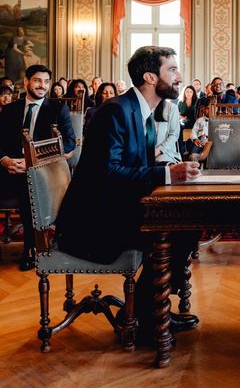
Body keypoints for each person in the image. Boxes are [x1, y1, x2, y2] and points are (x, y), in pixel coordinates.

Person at [55, 46, 201, 336]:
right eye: (172, 70)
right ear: (149, 76)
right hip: (92, 223)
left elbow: (133, 167)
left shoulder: (140, 111)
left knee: (189, 222)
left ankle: (146, 309)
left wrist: (169, 171)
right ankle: (148, 317)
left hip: (113, 208)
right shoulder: (116, 112)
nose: (179, 76)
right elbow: (107, 174)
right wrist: (166, 173)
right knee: (181, 227)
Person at [0, 64, 76, 270]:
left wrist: (32, 161)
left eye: (46, 82)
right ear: (26, 82)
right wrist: (5, 160)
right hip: (9, 166)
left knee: (29, 181)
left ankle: (30, 248)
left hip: (42, 168)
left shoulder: (58, 108)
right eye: (37, 80)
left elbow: (69, 142)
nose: (42, 85)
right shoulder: (10, 109)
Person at [154, 99, 181, 165]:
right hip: (144, 152)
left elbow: (174, 135)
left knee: (161, 165)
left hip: (164, 151)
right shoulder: (142, 107)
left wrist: (159, 150)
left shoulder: (171, 107)